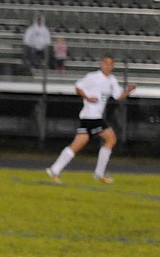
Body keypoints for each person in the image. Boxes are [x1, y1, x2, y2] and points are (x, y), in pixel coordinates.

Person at [46, 55, 135, 185]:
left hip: (91, 117)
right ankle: (99, 173)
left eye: (110, 64)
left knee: (77, 145)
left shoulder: (112, 80)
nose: (108, 66)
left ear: (113, 66)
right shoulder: (93, 77)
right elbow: (78, 87)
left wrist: (128, 91)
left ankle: (54, 170)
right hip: (92, 117)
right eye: (105, 63)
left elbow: (118, 97)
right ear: (101, 64)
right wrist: (87, 97)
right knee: (111, 139)